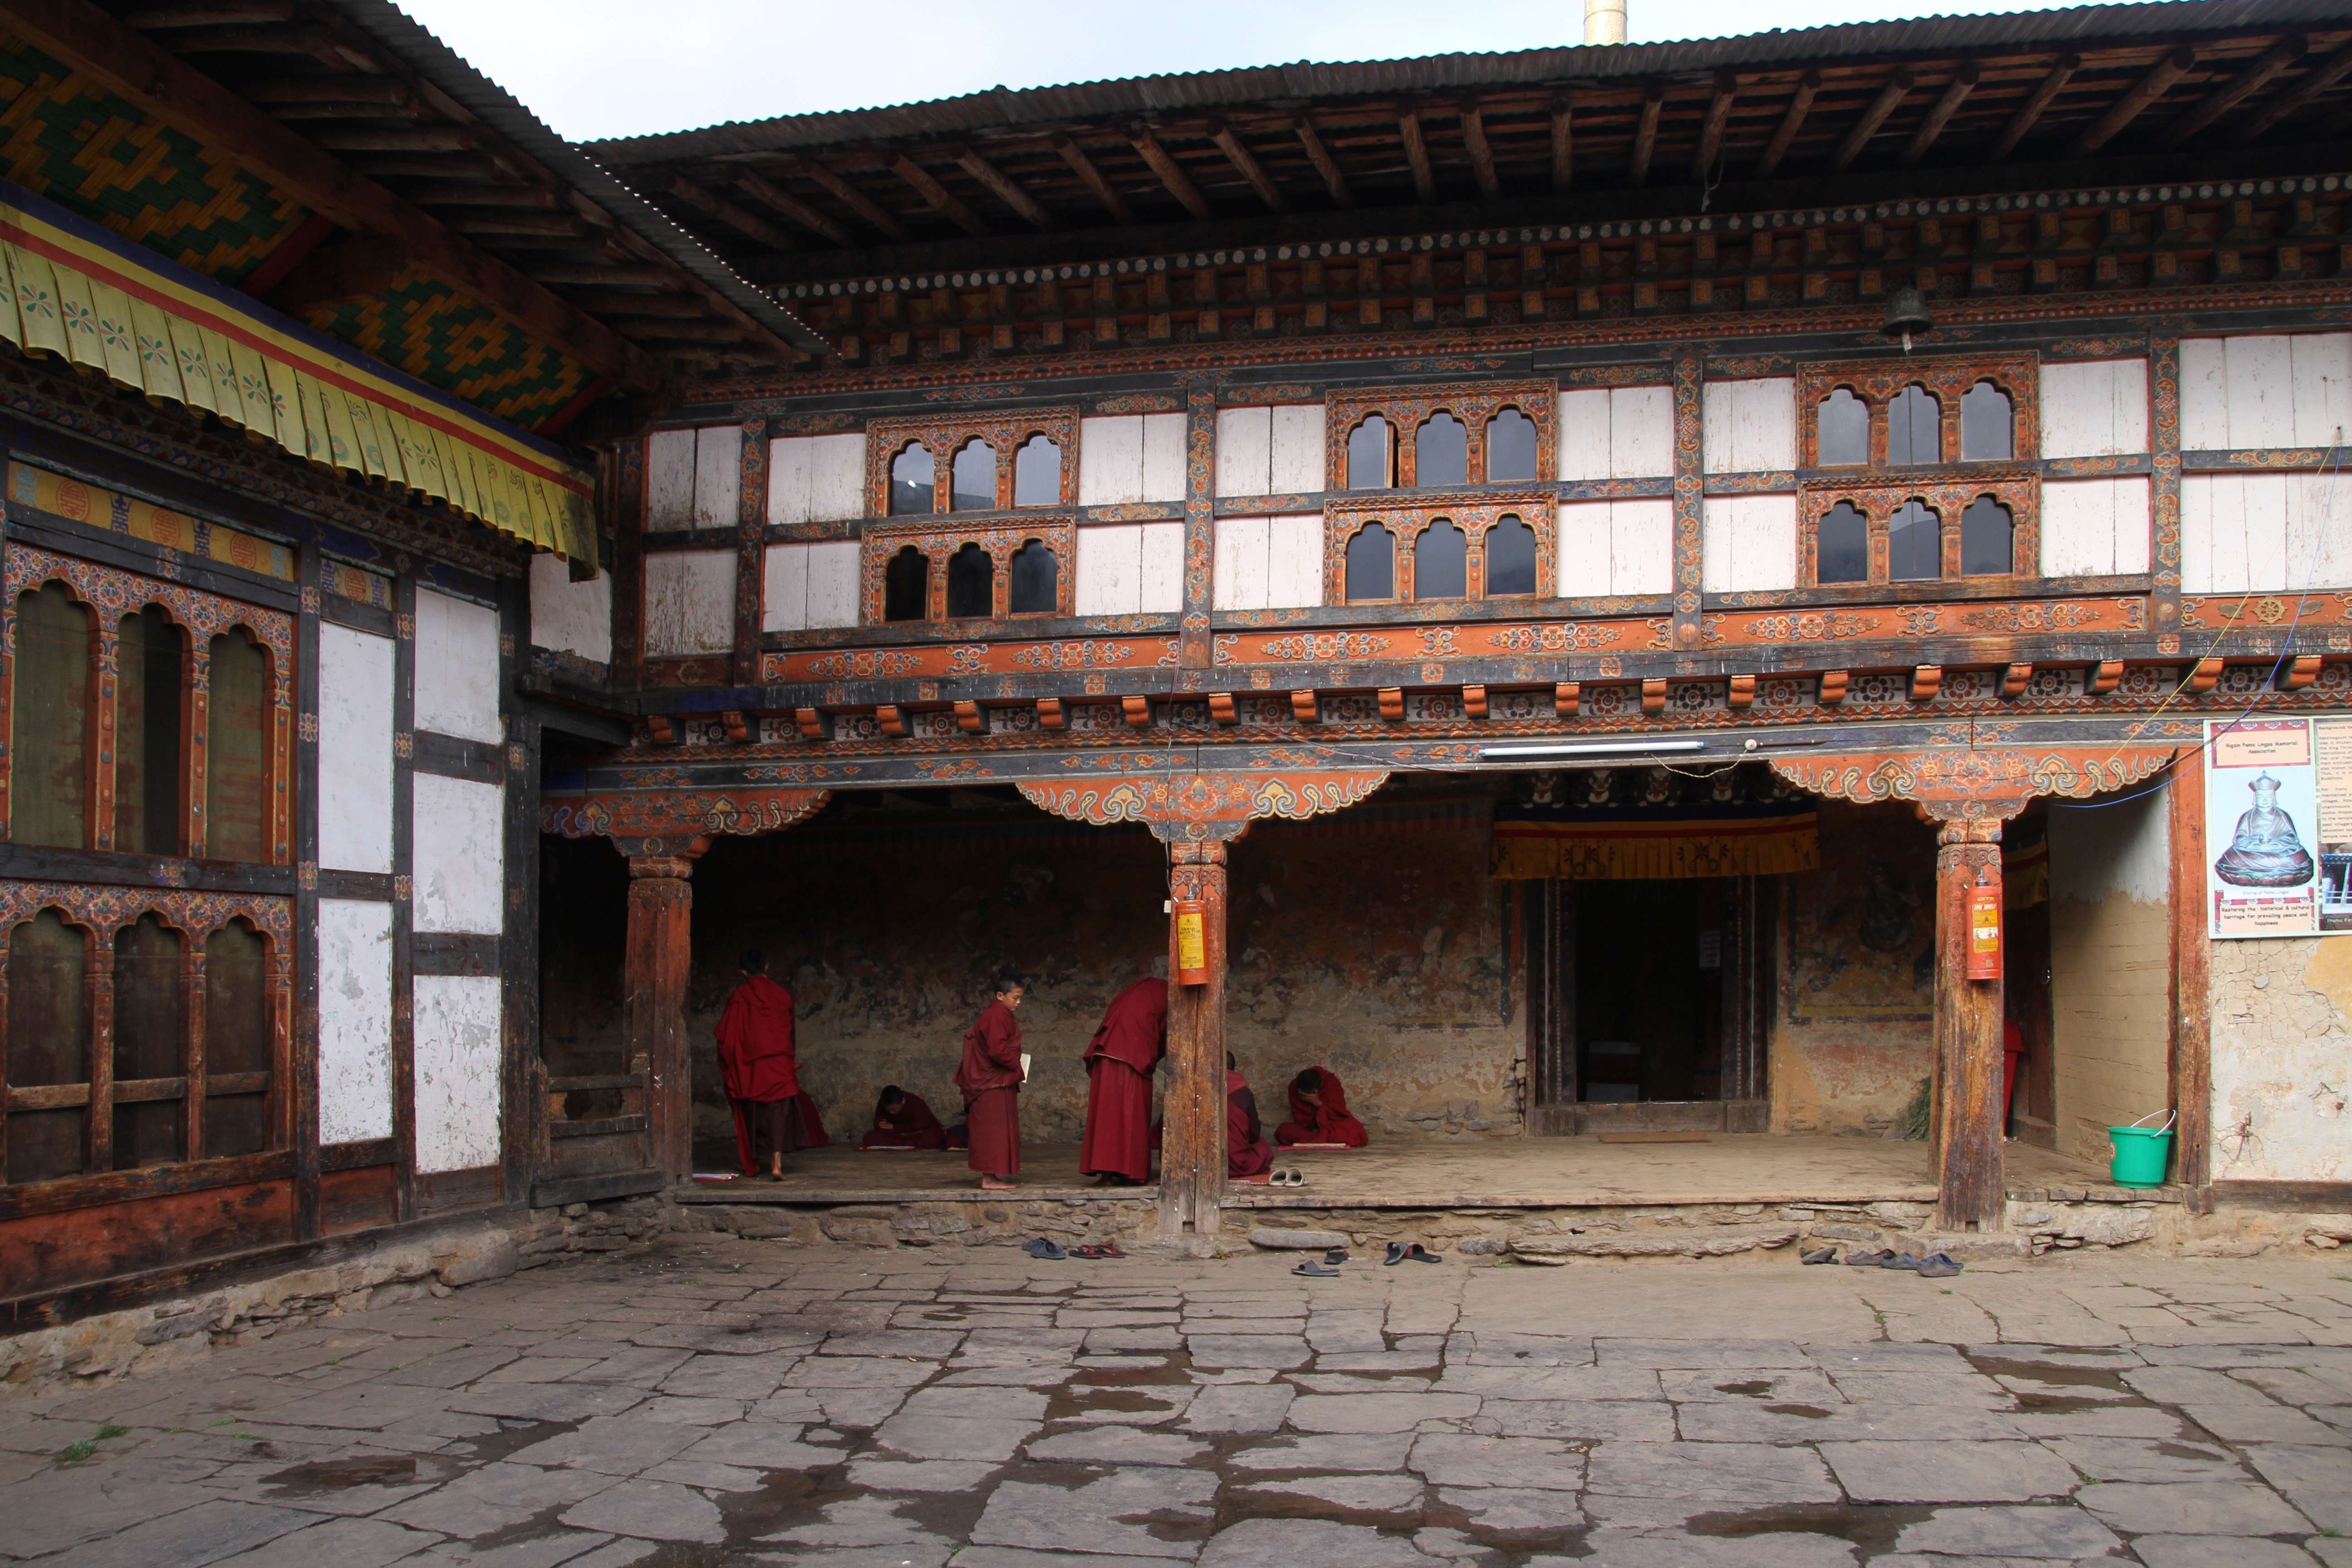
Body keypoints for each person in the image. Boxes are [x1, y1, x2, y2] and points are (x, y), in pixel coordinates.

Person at [714, 949, 801, 1180]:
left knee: (753, 1113)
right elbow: (790, 1031)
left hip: (750, 1066)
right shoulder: (782, 994)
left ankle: (752, 1160)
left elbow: (727, 1037)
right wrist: (788, 1058)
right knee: (779, 1112)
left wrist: (732, 1064)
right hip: (778, 1063)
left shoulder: (739, 996)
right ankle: (777, 1163)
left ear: (743, 971)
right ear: (766, 967)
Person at [1080, 977, 1166, 1186]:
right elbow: (1170, 1036)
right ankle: (1132, 1172)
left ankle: (1106, 1175)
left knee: (1105, 1117)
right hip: (1132, 1057)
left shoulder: (1139, 990)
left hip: (1105, 1052)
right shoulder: (1167, 995)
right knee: (1132, 1115)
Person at [956, 969, 1027, 1191]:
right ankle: (988, 1178)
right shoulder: (995, 1016)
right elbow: (997, 1051)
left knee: (997, 1129)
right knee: (991, 1130)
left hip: (996, 1081)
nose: (1018, 1003)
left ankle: (992, 1176)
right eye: (1015, 998)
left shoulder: (1001, 1015)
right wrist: (1017, 1066)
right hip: (990, 1083)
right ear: (1000, 996)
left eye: (1020, 998)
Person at [1275, 1066, 1369, 1148]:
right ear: (1300, 1091)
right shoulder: (1293, 1088)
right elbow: (1302, 1120)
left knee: (1356, 1131)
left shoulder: (1331, 1082)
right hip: (1312, 1132)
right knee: (1283, 1130)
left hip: (1332, 1128)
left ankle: (1319, 1140)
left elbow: (1339, 1114)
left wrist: (1318, 1103)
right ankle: (1321, 1140)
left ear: (1320, 1085)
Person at [1226, 1051, 1274, 1180]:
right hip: (1236, 1165)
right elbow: (1254, 1134)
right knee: (1263, 1147)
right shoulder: (1243, 1093)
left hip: (1200, 1163)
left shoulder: (1196, 1087)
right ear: (1234, 1069)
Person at [859, 1085, 947, 1150]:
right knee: (870, 1137)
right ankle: (906, 1144)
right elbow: (879, 1125)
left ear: (903, 1101)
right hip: (896, 1136)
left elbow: (921, 1125)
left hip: (914, 1134)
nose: (891, 1113)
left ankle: (901, 1144)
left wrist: (895, 1127)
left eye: (894, 1110)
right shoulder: (883, 1104)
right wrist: (891, 1129)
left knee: (932, 1138)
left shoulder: (915, 1102)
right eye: (889, 1110)